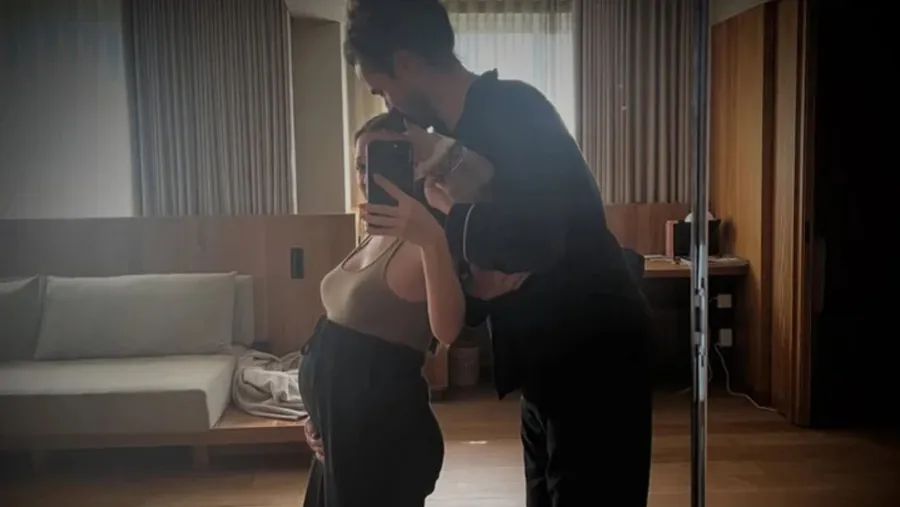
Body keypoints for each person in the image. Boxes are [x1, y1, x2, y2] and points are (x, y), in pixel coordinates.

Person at [341, 1, 655, 506]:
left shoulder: (517, 109)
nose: (390, 108)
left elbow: (536, 237)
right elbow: (482, 269)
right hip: (543, 364)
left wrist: (461, 229)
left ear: (405, 62)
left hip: (595, 354)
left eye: (382, 91)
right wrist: (472, 275)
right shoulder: (451, 144)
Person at [299, 111, 463, 507]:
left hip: (381, 438)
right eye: (360, 165)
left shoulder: (430, 237)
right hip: (341, 435)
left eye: (380, 161)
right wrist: (318, 417)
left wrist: (432, 240)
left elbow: (448, 331)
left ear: (416, 163)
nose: (366, 175)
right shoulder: (373, 232)